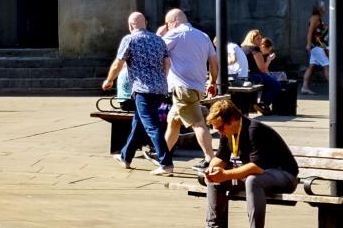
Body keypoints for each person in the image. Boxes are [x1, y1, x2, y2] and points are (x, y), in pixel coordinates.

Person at [202, 100, 299, 228]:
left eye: (220, 127)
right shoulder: (227, 132)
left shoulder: (254, 130)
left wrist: (225, 174)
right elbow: (221, 158)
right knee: (215, 179)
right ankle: (213, 226)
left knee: (253, 180)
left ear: (233, 119)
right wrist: (211, 170)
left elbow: (256, 167)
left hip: (284, 175)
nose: (219, 132)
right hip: (258, 175)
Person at [102, 11, 173, 176]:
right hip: (160, 89)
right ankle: (125, 157)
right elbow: (167, 63)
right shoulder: (158, 40)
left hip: (142, 90)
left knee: (152, 126)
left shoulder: (130, 39)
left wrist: (109, 80)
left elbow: (118, 64)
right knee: (138, 124)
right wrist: (161, 80)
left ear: (130, 25)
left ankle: (166, 163)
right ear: (145, 24)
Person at [160, 9, 221, 161]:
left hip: (182, 88)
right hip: (197, 88)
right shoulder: (203, 36)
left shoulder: (174, 34)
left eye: (168, 24)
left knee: (198, 124)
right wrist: (212, 82)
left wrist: (160, 34)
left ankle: (210, 159)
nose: (168, 27)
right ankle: (163, 157)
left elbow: (156, 50)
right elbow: (214, 63)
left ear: (174, 21)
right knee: (173, 123)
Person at [230, 30, 283, 111]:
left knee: (268, 80)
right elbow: (262, 69)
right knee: (276, 84)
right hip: (252, 76)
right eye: (258, 38)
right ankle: (263, 104)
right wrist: (269, 60)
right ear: (252, 39)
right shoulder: (255, 49)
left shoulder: (242, 48)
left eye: (261, 38)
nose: (261, 40)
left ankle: (260, 104)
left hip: (241, 76)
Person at [297, 4, 328, 96]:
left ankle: (304, 87)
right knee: (327, 65)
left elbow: (319, 31)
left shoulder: (318, 18)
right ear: (319, 9)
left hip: (317, 46)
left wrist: (326, 27)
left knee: (311, 67)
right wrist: (308, 44)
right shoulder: (315, 17)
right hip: (316, 46)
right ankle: (335, 89)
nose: (324, 8)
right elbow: (310, 31)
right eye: (323, 7)